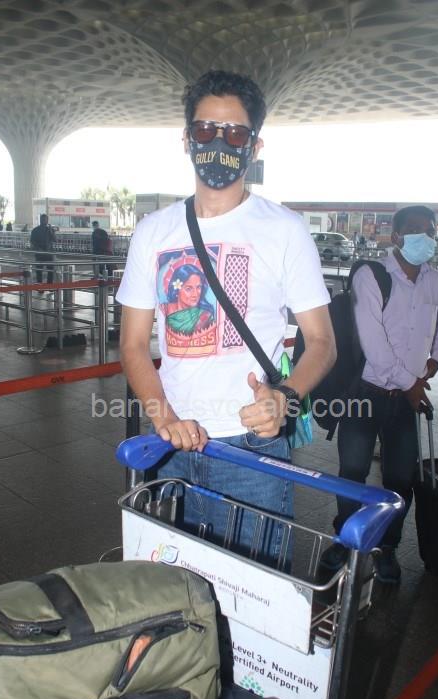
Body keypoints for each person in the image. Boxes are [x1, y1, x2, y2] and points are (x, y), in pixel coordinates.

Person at [117, 69, 336, 561]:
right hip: (171, 447)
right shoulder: (154, 231)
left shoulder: (285, 229)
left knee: (255, 592)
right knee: (173, 592)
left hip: (252, 452)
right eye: (205, 130)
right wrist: (163, 417)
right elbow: (132, 344)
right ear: (186, 139)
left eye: (235, 133)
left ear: (255, 146)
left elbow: (322, 342)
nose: (219, 143)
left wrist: (285, 397)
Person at [321, 205, 438, 583]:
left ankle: (388, 547)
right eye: (416, 230)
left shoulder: (437, 282)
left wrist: (434, 362)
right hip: (365, 393)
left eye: (431, 231)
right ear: (396, 236)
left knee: (400, 479)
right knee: (353, 472)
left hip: (405, 400)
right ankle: (346, 539)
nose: (426, 237)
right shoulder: (372, 275)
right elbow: (373, 344)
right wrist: (412, 383)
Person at [30, 213, 56, 290]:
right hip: (39, 254)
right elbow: (32, 242)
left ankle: (49, 286)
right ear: (40, 220)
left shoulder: (50, 230)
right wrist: (38, 249)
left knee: (50, 270)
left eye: (46, 220)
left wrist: (51, 231)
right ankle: (40, 287)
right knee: (39, 271)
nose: (45, 221)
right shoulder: (35, 230)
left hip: (49, 253)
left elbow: (55, 239)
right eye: (43, 219)